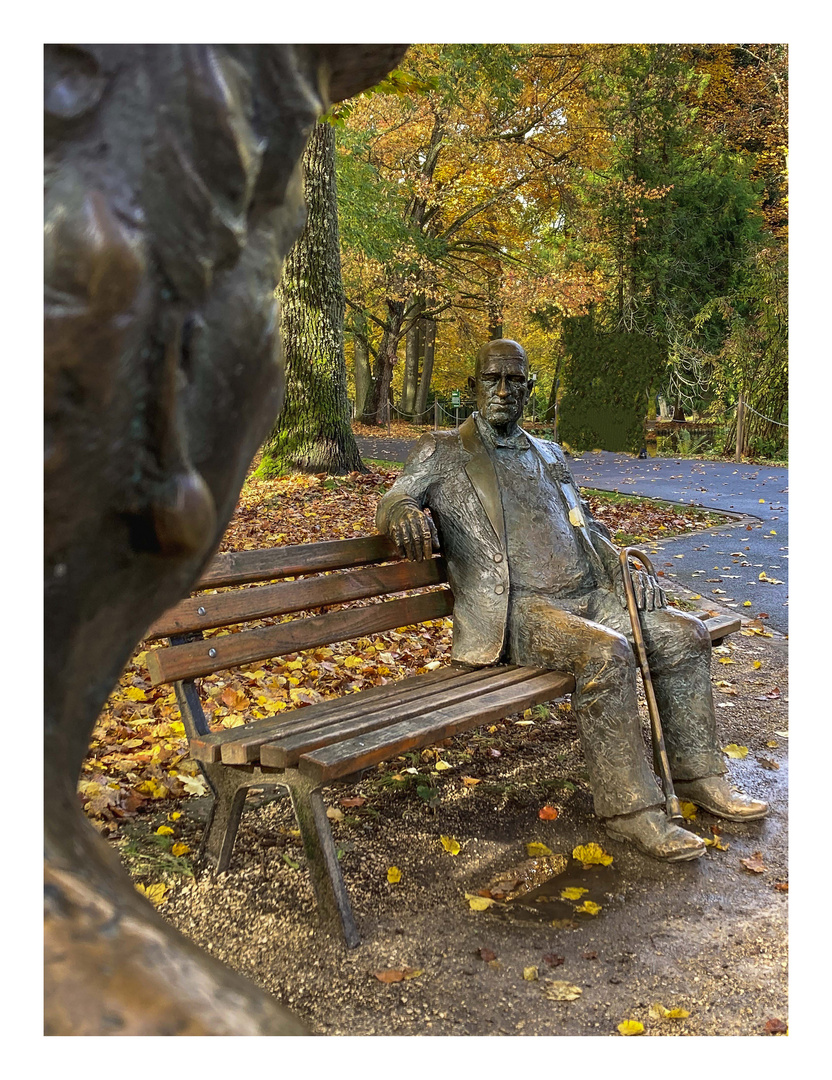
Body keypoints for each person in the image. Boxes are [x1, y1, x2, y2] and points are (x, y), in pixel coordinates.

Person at [377, 339, 768, 861]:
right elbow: (394, 497)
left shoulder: (548, 453)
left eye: (514, 381)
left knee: (684, 635)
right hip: (522, 612)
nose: (502, 390)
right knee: (606, 653)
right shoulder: (445, 449)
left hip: (589, 595)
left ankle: (699, 775)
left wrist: (620, 567)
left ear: (527, 389)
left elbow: (586, 528)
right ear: (474, 386)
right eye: (492, 379)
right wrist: (402, 512)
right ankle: (633, 809)